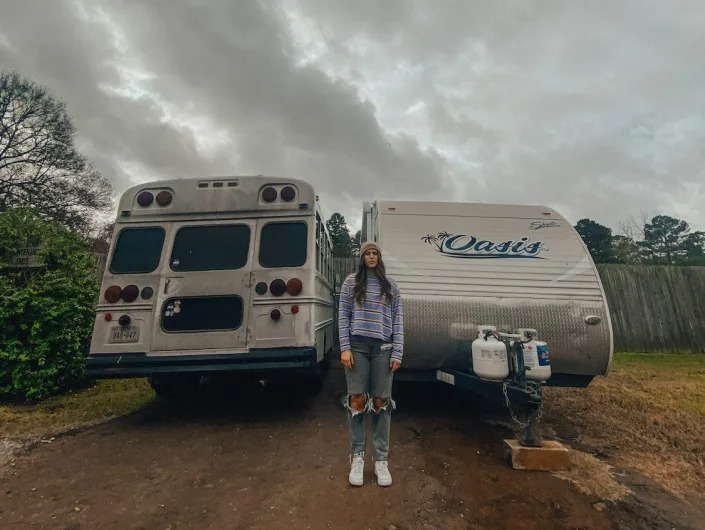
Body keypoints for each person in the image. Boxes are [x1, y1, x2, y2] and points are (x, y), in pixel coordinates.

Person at [338, 241, 404, 487]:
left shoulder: (391, 286)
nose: (372, 257)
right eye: (368, 253)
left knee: (381, 402)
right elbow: (343, 316)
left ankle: (381, 460)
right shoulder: (351, 282)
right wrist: (344, 347)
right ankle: (357, 457)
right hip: (356, 348)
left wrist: (397, 352)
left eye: (375, 253)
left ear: (380, 257)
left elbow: (398, 322)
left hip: (383, 350)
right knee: (356, 401)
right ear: (362, 257)